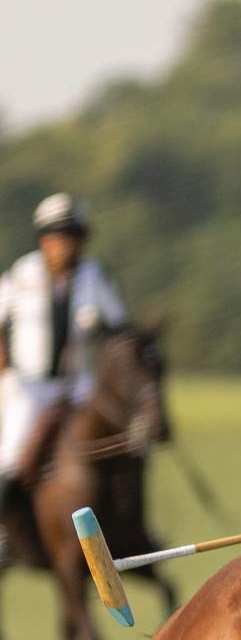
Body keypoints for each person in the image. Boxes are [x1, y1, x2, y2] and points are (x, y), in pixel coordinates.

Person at [0, 195, 127, 566]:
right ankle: (6, 535)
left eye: (71, 236)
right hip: (29, 388)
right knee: (10, 459)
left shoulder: (94, 277)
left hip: (78, 387)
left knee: (122, 444)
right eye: (56, 236)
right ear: (43, 240)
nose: (64, 244)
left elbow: (119, 328)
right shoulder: (21, 276)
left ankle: (128, 527)